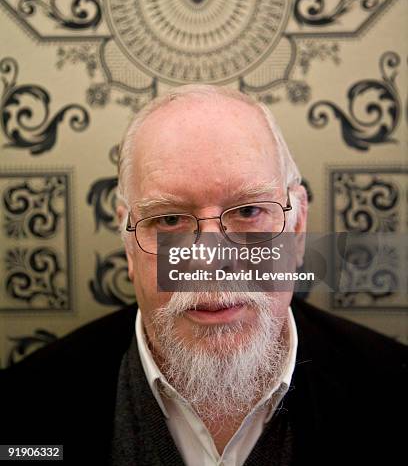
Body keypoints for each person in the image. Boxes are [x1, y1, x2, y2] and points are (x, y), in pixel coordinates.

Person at [2, 85, 406, 466]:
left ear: (297, 227)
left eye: (249, 211)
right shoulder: (26, 410)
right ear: (128, 241)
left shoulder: (392, 389)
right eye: (170, 218)